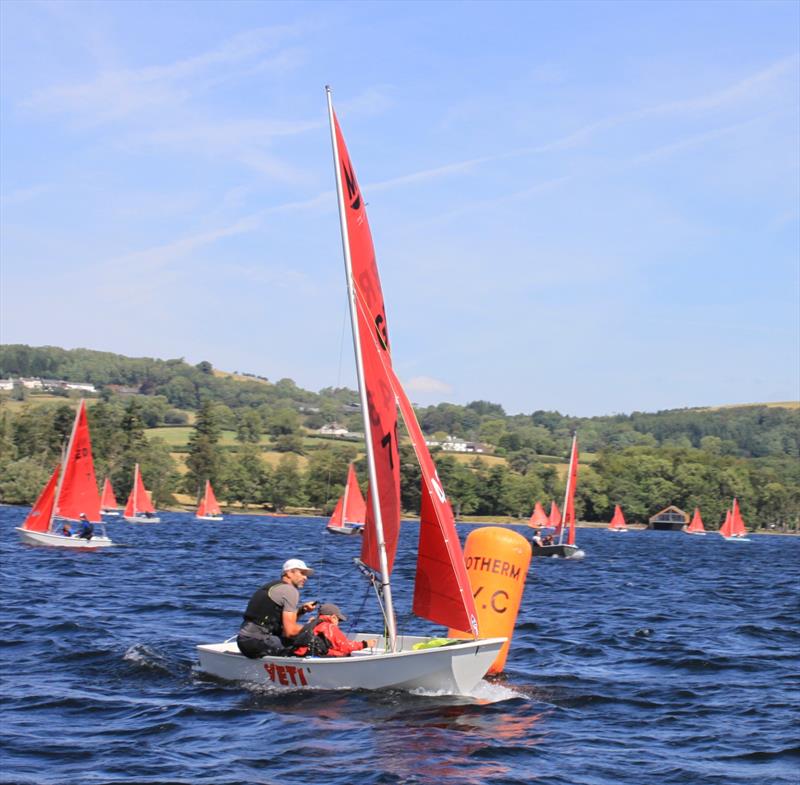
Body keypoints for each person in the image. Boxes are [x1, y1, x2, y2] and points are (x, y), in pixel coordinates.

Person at [236, 558, 319, 659]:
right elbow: (290, 632)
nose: (305, 577)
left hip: (244, 641)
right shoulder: (290, 591)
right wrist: (315, 625)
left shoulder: (272, 586)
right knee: (310, 644)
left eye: (306, 575)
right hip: (257, 642)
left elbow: (283, 625)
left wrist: (302, 610)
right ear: (289, 573)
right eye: (302, 573)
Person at [294, 603, 377, 658]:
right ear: (333, 617)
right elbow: (344, 646)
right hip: (319, 659)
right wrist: (365, 644)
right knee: (345, 654)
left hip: (304, 656)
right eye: (339, 620)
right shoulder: (329, 627)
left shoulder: (311, 624)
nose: (338, 623)